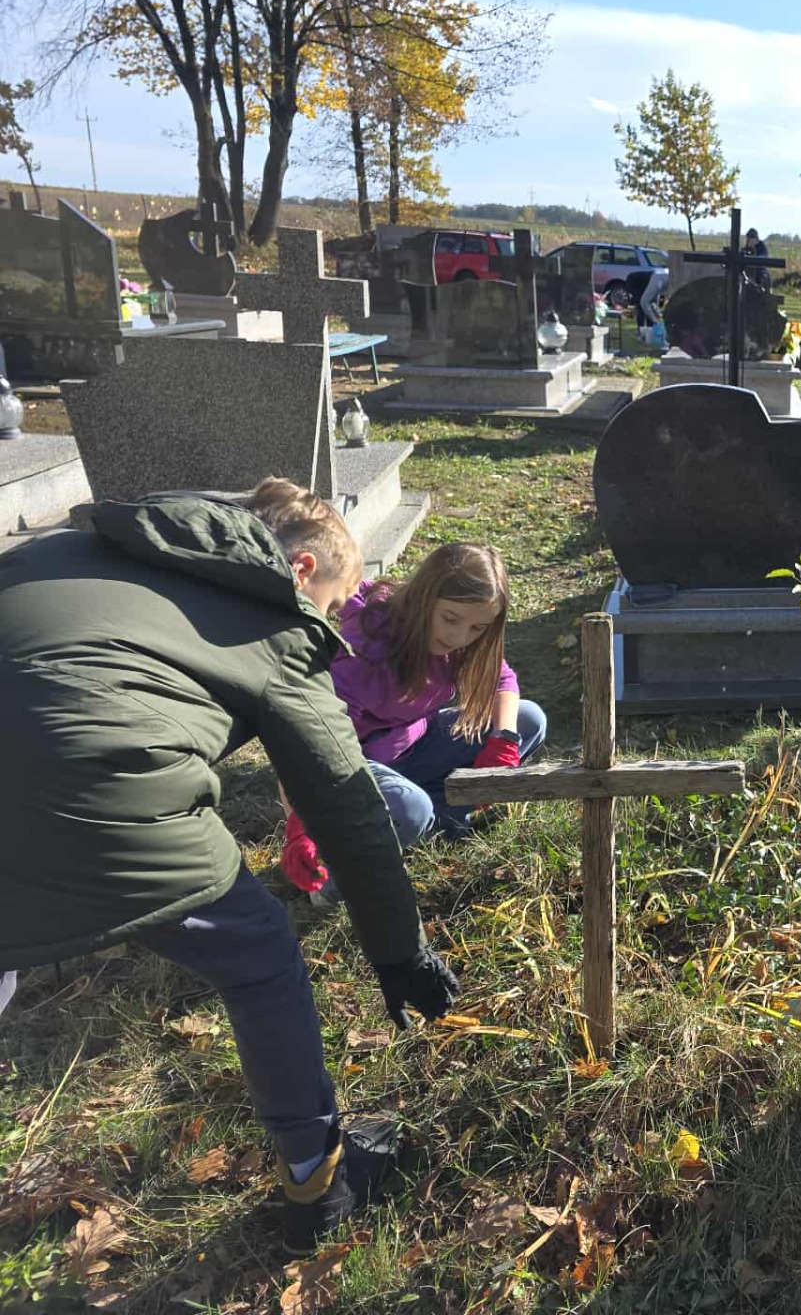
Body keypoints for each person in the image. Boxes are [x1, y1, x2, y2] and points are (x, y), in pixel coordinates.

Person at [0, 481, 459, 1250]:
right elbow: (348, 806)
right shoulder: (275, 618)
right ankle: (318, 1180)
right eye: (334, 605)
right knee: (260, 956)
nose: (331, 620)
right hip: (104, 785)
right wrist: (399, 951)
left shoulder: (66, 549)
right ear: (302, 569)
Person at [282, 543, 547, 899]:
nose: (459, 638)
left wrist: (503, 741)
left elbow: (503, 682)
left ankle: (435, 822)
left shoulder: (462, 640)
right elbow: (306, 747)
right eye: (450, 619)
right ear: (425, 597)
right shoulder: (365, 655)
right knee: (411, 807)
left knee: (527, 719)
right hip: (355, 765)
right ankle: (331, 884)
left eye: (477, 628)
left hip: (417, 747)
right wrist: (300, 825)